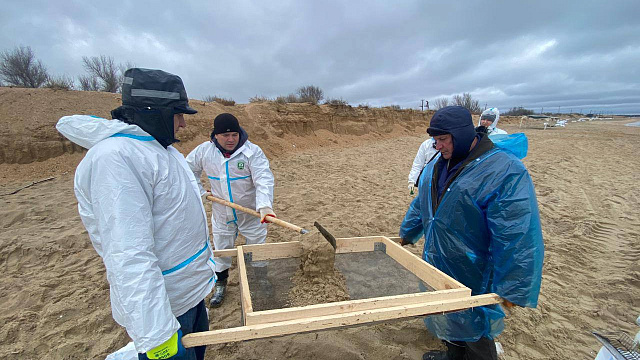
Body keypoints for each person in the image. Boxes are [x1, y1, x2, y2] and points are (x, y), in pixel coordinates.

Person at [56, 68, 215, 360]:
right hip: (162, 310)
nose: (182, 124)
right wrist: (156, 333)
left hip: (187, 296)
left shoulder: (161, 150)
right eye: (177, 114)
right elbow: (128, 254)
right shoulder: (117, 159)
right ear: (153, 111)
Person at [399, 106, 544, 360]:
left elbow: (517, 232)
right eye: (435, 140)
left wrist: (514, 285)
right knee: (447, 314)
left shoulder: (504, 170)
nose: (437, 146)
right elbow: (423, 199)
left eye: (443, 140)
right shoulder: (437, 163)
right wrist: (408, 232)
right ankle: (453, 356)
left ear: (462, 134)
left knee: (476, 324)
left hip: (476, 266)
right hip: (440, 256)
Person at [186, 113, 275, 308]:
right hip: (221, 212)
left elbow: (264, 179)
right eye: (225, 135)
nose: (231, 139)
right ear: (215, 136)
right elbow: (187, 170)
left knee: (257, 247)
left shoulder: (252, 152)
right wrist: (201, 193)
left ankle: (259, 279)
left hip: (251, 214)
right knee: (223, 248)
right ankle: (221, 282)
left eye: (234, 134)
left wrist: (265, 206)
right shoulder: (204, 152)